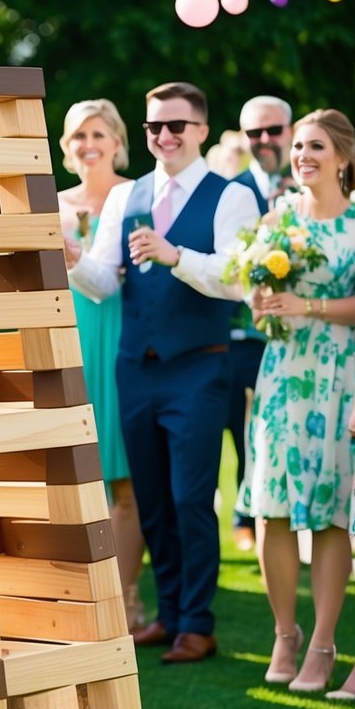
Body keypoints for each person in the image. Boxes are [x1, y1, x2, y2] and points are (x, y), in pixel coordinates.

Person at [66, 82, 258, 664]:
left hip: (199, 366)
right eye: (154, 127)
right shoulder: (129, 198)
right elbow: (105, 280)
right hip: (136, 368)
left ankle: (197, 623)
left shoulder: (232, 198)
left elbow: (236, 278)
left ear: (200, 130)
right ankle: (169, 613)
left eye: (176, 126)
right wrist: (73, 259)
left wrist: (177, 256)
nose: (164, 136)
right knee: (151, 500)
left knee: (191, 496)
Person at [238, 108, 355, 693]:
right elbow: (256, 289)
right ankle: (284, 634)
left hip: (337, 370)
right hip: (283, 370)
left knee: (331, 509)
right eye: (299, 148)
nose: (303, 155)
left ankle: (324, 642)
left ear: (343, 155)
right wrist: (260, 299)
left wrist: (308, 308)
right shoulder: (281, 215)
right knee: (273, 506)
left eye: (315, 146)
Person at [58, 99, 146, 630]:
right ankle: (74, 597)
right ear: (66, 147)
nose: (88, 144)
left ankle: (125, 596)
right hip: (67, 338)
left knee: (125, 480)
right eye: (77, 136)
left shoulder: (137, 195)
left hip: (120, 334)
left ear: (116, 140)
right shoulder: (50, 202)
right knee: (70, 476)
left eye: (98, 134)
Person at [227, 97, 295, 552]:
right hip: (236, 334)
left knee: (280, 428)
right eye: (255, 133)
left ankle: (284, 517)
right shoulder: (230, 190)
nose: (265, 140)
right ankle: (243, 512)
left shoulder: (315, 187)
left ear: (288, 132)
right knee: (240, 426)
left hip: (295, 336)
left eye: (273, 131)